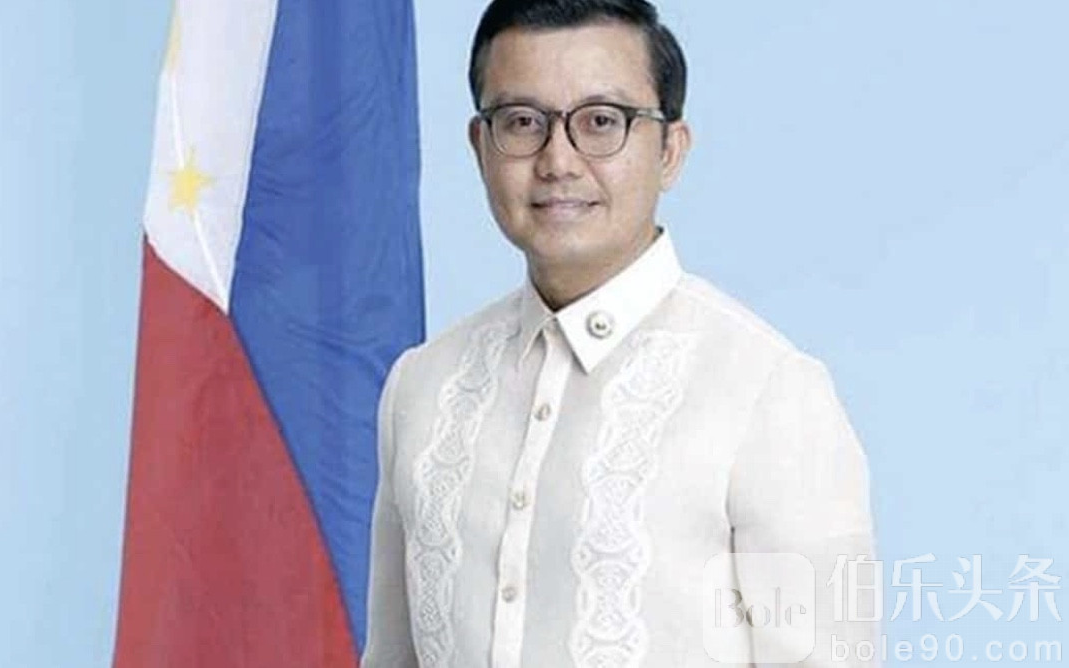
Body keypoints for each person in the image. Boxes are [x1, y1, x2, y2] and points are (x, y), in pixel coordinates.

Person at [361, 1, 879, 666]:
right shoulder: (423, 386)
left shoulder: (766, 389)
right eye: (522, 122)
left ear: (670, 150)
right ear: (480, 146)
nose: (558, 160)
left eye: (601, 121)